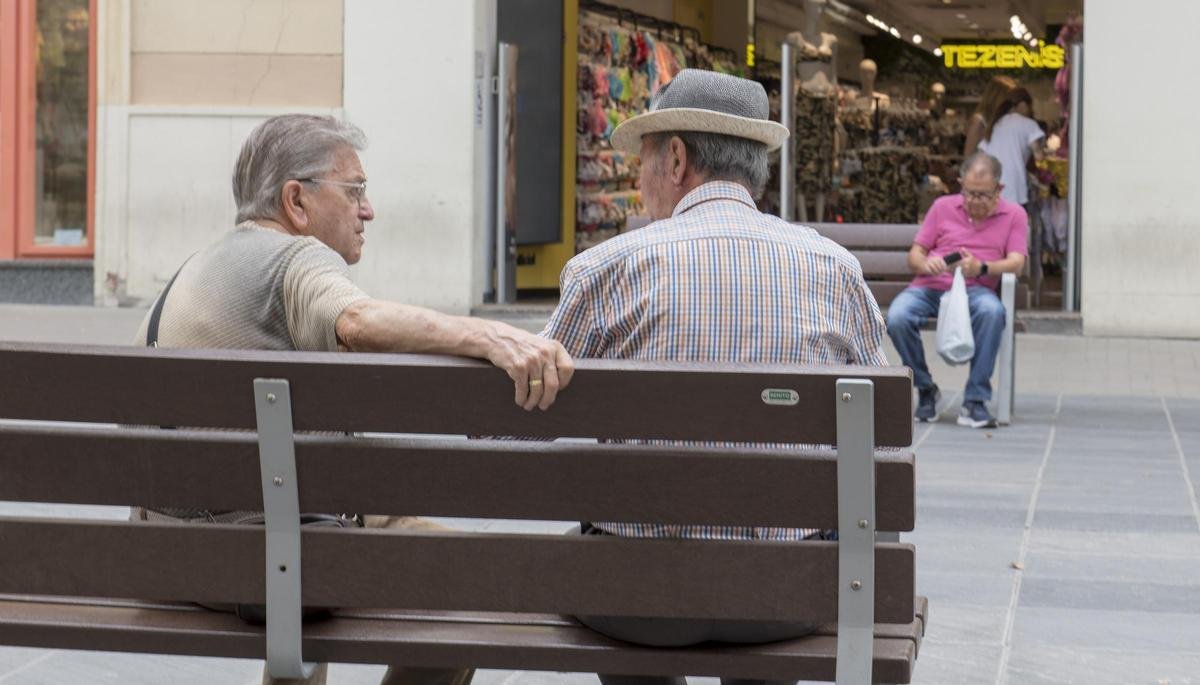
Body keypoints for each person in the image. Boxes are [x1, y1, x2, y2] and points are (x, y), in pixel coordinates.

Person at [134, 114, 575, 685]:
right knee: (473, 580)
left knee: (333, 530)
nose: (368, 210)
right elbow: (357, 320)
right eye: (356, 190)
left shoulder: (193, 271)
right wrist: (494, 336)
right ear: (296, 201)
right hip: (266, 558)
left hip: (164, 550)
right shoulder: (291, 258)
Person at [542, 68, 889, 685]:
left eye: (644, 158)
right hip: (783, 598)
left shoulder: (606, 267)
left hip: (638, 602)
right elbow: (883, 432)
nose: (639, 176)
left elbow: (512, 425)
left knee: (601, 555)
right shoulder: (831, 268)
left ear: (676, 159)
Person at [885, 152, 1028, 429]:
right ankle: (926, 388)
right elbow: (915, 256)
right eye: (969, 193)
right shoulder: (942, 206)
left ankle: (975, 399)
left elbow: (1017, 262)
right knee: (898, 317)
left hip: (977, 289)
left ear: (999, 189)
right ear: (961, 184)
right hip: (931, 287)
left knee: (992, 311)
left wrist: (982, 267)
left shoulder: (1014, 215)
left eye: (982, 195)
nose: (974, 201)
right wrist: (929, 264)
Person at [979, 87, 1046, 207]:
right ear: (1023, 105)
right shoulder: (1028, 124)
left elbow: (982, 155)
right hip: (1014, 190)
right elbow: (1039, 157)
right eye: (1030, 107)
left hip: (990, 190)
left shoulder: (994, 125)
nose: (1031, 112)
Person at [963, 75, 1017, 156]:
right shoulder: (979, 121)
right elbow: (968, 155)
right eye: (1008, 97)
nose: (1012, 102)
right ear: (997, 97)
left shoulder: (1005, 120)